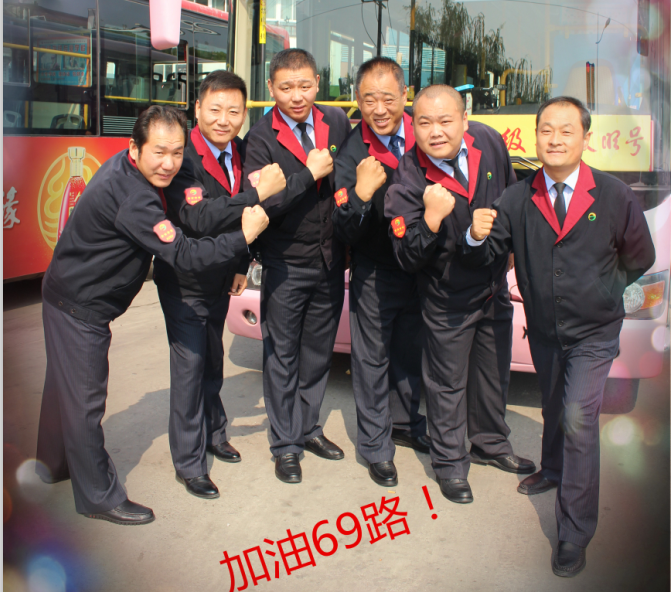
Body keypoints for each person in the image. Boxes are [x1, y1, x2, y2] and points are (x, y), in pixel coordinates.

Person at [35, 106, 269, 525]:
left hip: (67, 292)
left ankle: (52, 464)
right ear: (134, 148)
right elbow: (184, 254)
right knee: (86, 399)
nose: (169, 163)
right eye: (159, 152)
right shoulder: (133, 196)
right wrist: (243, 236)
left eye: (177, 153)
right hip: (79, 306)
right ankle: (98, 496)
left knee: (62, 389)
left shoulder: (132, 173)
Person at [462, 96, 655, 577]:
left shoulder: (613, 195)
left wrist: (603, 292)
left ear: (586, 138)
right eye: (546, 130)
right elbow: (489, 257)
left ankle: (574, 531)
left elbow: (640, 257)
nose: (554, 140)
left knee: (578, 418)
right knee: (553, 404)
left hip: (595, 331)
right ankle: (551, 469)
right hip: (546, 329)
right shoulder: (516, 198)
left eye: (566, 131)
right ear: (536, 137)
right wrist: (474, 236)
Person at [384, 84, 535, 505]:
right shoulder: (407, 177)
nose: (436, 132)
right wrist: (432, 219)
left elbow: (510, 195)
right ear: (412, 126)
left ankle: (491, 444)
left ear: (465, 119)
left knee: (492, 372)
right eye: (424, 123)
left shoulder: (489, 141)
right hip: (446, 294)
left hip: (493, 287)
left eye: (446, 120)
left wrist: (509, 250)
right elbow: (406, 256)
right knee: (446, 383)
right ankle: (450, 464)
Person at [154, 71, 286, 499]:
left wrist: (242, 262)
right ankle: (189, 463)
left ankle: (215, 433)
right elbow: (199, 217)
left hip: (221, 273)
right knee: (190, 368)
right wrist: (258, 195)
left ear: (244, 113)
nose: (223, 120)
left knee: (212, 360)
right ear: (197, 109)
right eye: (214, 110)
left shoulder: (242, 151)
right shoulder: (184, 156)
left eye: (233, 111)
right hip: (184, 278)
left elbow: (245, 225)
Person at [241, 48, 351, 484]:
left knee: (318, 354)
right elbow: (264, 203)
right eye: (286, 87)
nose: (297, 96)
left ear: (317, 83)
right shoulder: (260, 138)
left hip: (330, 260)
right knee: (282, 356)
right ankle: (285, 445)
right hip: (285, 263)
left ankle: (309, 428)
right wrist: (308, 173)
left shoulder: (336, 122)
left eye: (305, 85)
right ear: (271, 88)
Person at [332, 57, 429, 487]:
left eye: (388, 98)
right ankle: (375, 446)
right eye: (369, 99)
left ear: (405, 95)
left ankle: (405, 423)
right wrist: (360, 193)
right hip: (376, 269)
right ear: (357, 99)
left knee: (410, 350)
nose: (379, 108)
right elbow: (345, 228)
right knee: (371, 358)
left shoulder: (425, 133)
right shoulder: (351, 151)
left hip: (420, 264)